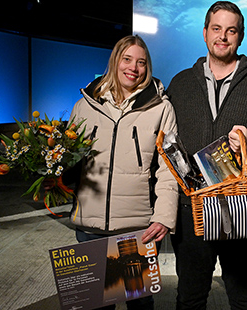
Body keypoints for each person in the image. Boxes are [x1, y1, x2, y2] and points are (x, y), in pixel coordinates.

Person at [166, 2, 247, 309]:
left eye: (231, 30)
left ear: (240, 37)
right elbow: (164, 139)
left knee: (244, 298)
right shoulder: (181, 83)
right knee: (189, 297)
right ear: (204, 33)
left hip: (243, 207)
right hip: (192, 207)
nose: (223, 37)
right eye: (216, 29)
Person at [68, 34, 178, 310]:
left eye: (141, 62)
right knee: (93, 304)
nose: (134, 67)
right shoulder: (85, 105)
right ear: (115, 61)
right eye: (127, 59)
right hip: (89, 225)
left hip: (136, 230)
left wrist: (164, 216)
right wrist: (54, 180)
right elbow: (69, 159)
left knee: (140, 304)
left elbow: (168, 169)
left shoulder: (161, 108)